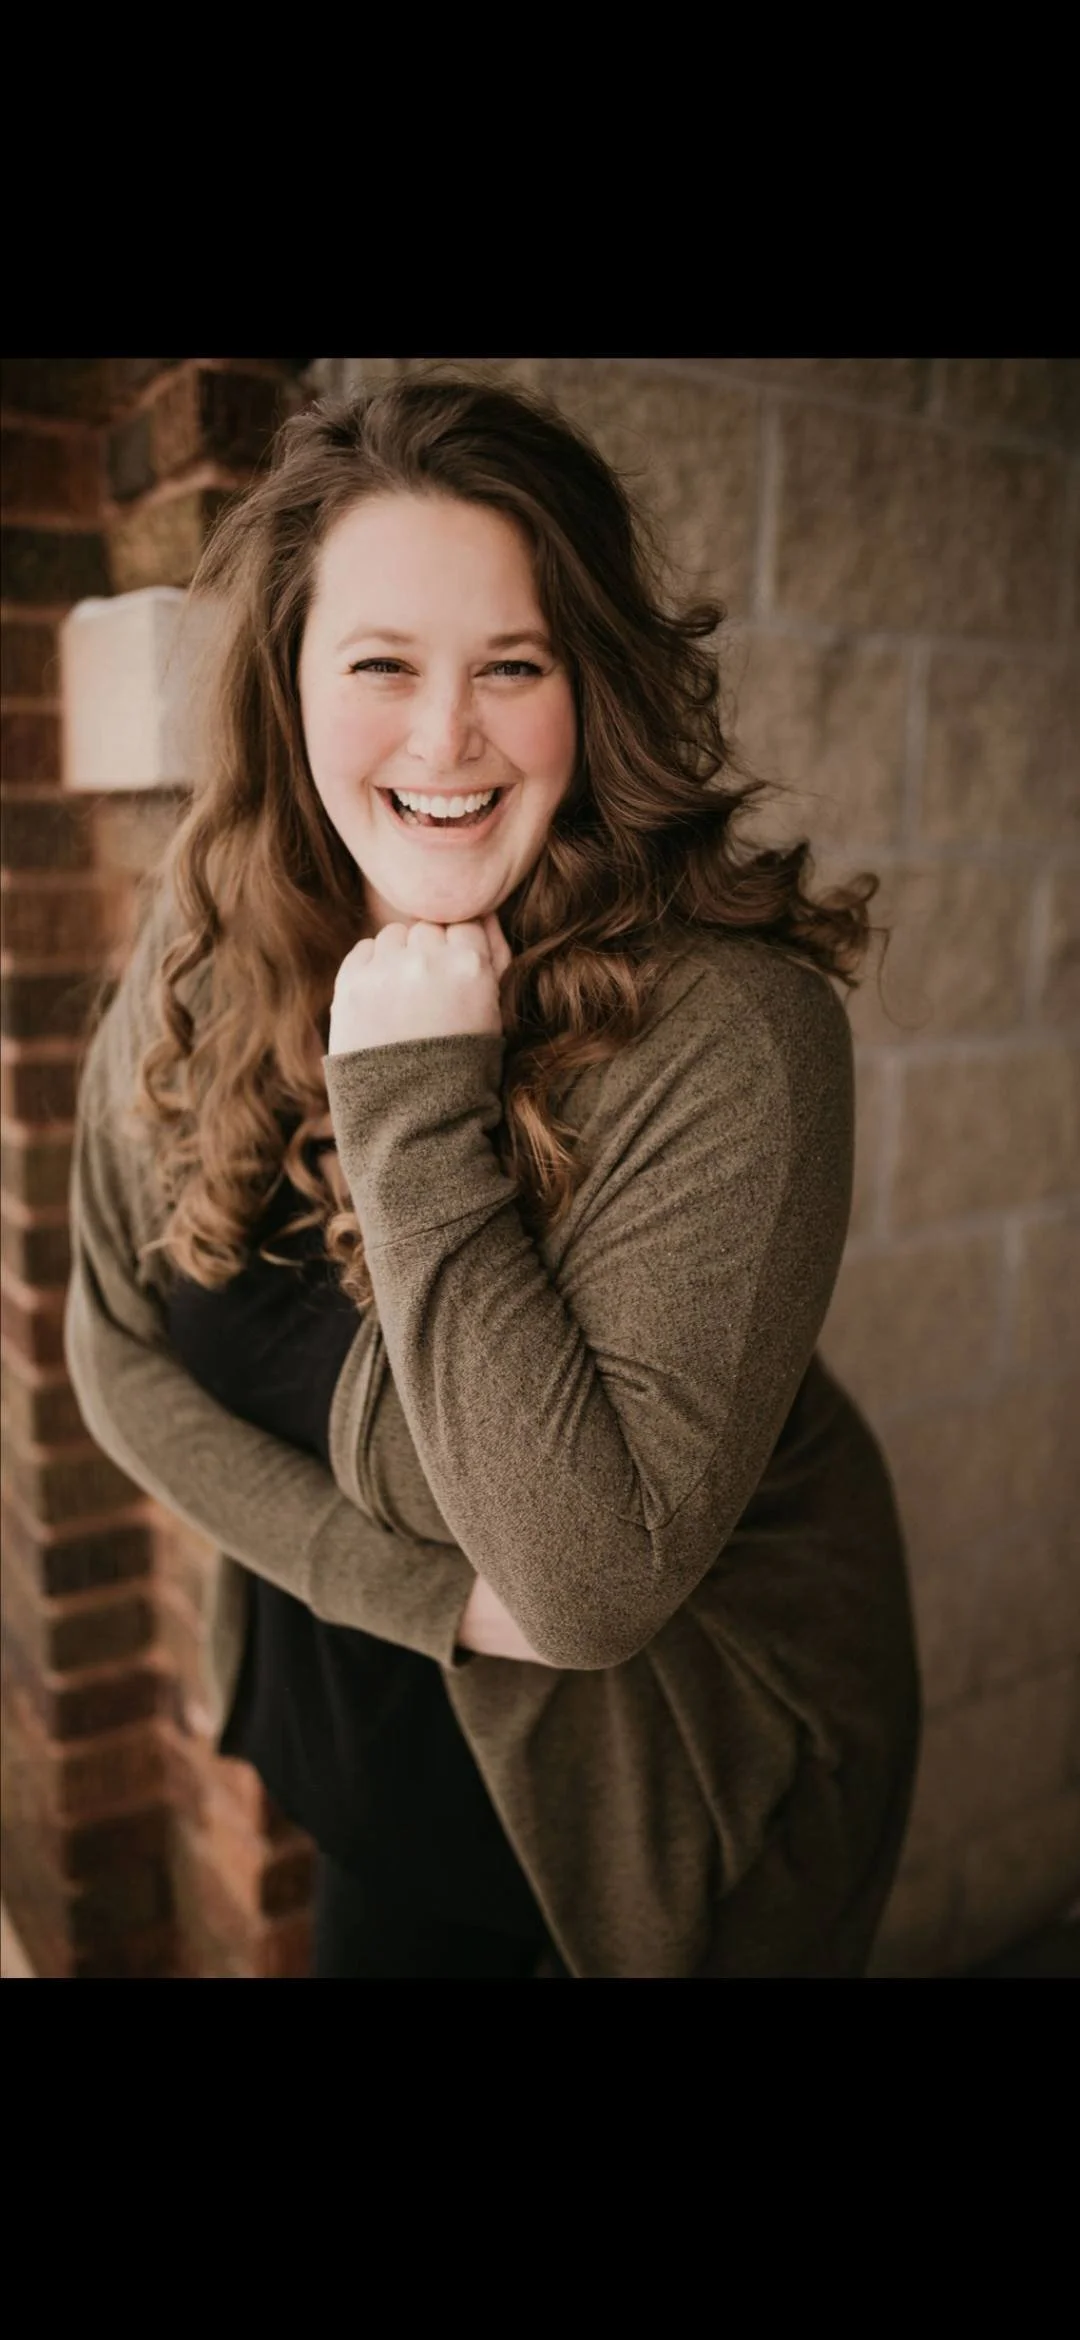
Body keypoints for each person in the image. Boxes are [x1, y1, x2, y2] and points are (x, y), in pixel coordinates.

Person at [64, 372, 921, 1980]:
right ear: (290, 681)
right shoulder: (205, 943)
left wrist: (410, 1094)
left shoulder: (735, 1035)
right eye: (380, 663)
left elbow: (587, 1591)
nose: (445, 735)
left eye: (511, 666)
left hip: (656, 1826)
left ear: (586, 685)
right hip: (378, 1758)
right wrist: (418, 1595)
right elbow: (104, 1356)